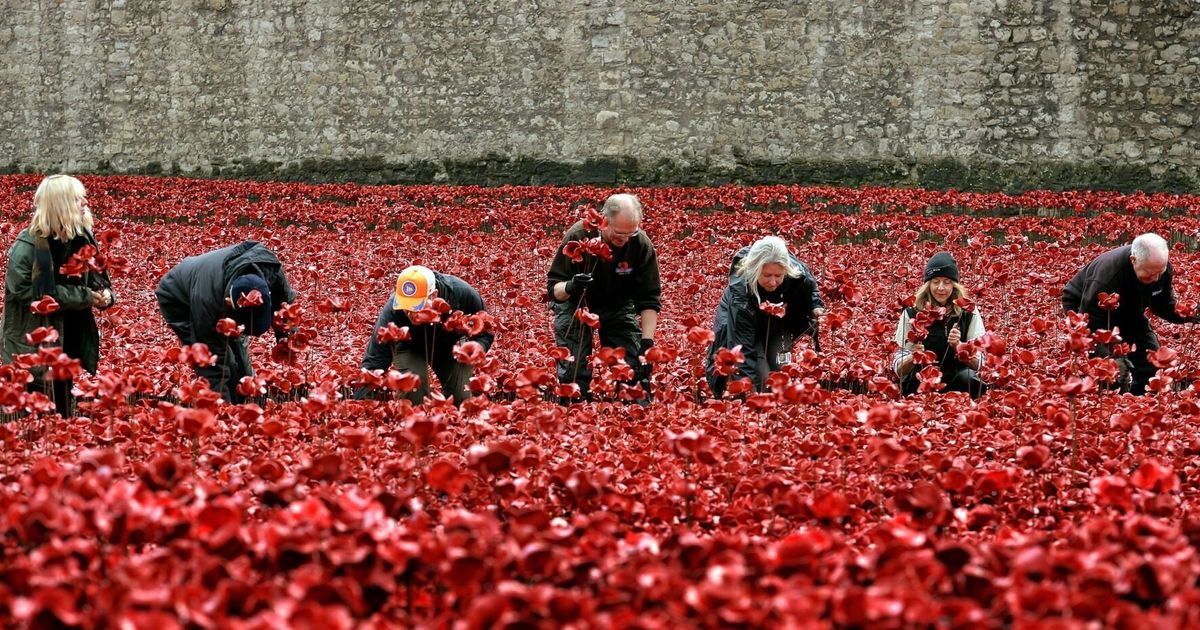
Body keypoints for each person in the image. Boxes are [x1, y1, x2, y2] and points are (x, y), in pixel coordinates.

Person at [2, 174, 114, 415]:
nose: (85, 203)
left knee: (61, 416)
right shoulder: (27, 248)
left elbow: (100, 278)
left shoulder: (80, 239)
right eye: (77, 199)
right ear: (59, 205)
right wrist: (85, 296)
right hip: (32, 350)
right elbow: (34, 295)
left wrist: (104, 295)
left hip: (66, 344)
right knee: (32, 422)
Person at [546, 193, 661, 399]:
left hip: (617, 305)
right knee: (573, 376)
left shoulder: (640, 244)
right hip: (577, 305)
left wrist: (647, 343)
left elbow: (649, 298)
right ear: (603, 222)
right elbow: (555, 290)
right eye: (618, 234)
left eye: (630, 234)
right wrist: (572, 285)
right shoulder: (579, 235)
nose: (624, 240)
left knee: (631, 369)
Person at [155, 241, 295, 403]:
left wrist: (287, 340)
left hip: (216, 283)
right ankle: (226, 411)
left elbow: (286, 308)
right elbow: (213, 366)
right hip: (178, 298)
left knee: (242, 368)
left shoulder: (271, 270)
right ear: (229, 304)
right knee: (219, 363)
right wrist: (224, 413)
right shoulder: (208, 304)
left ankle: (242, 404)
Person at [1062, 233, 1197, 394]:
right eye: (1149, 273)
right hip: (1090, 313)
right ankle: (1111, 409)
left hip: (1130, 311)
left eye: (1160, 272)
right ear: (1134, 260)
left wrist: (1193, 314)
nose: (1156, 278)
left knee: (1153, 365)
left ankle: (1140, 406)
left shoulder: (1161, 269)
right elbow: (1089, 321)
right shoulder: (1107, 277)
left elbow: (1164, 305)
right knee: (1113, 370)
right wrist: (1111, 352)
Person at [358, 265, 494, 404]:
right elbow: (375, 358)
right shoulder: (393, 309)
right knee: (413, 392)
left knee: (462, 398)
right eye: (406, 306)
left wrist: (478, 347)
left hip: (450, 347)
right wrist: (360, 403)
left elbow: (486, 331)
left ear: (433, 295)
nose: (410, 312)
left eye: (416, 306)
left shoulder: (462, 293)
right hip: (410, 347)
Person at [705, 236, 820, 397]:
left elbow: (809, 285)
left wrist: (816, 306)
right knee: (761, 376)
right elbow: (742, 347)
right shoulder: (741, 292)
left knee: (780, 371)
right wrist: (751, 396)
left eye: (778, 276)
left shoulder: (795, 272)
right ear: (755, 270)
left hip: (779, 322)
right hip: (746, 324)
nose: (773, 282)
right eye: (767, 275)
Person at [894, 252, 987, 398]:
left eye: (947, 282)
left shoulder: (968, 311)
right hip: (920, 380)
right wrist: (913, 357)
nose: (941, 288)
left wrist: (959, 347)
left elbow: (981, 363)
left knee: (970, 379)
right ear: (928, 284)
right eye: (936, 281)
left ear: (954, 284)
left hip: (957, 379)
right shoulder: (911, 313)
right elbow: (897, 368)